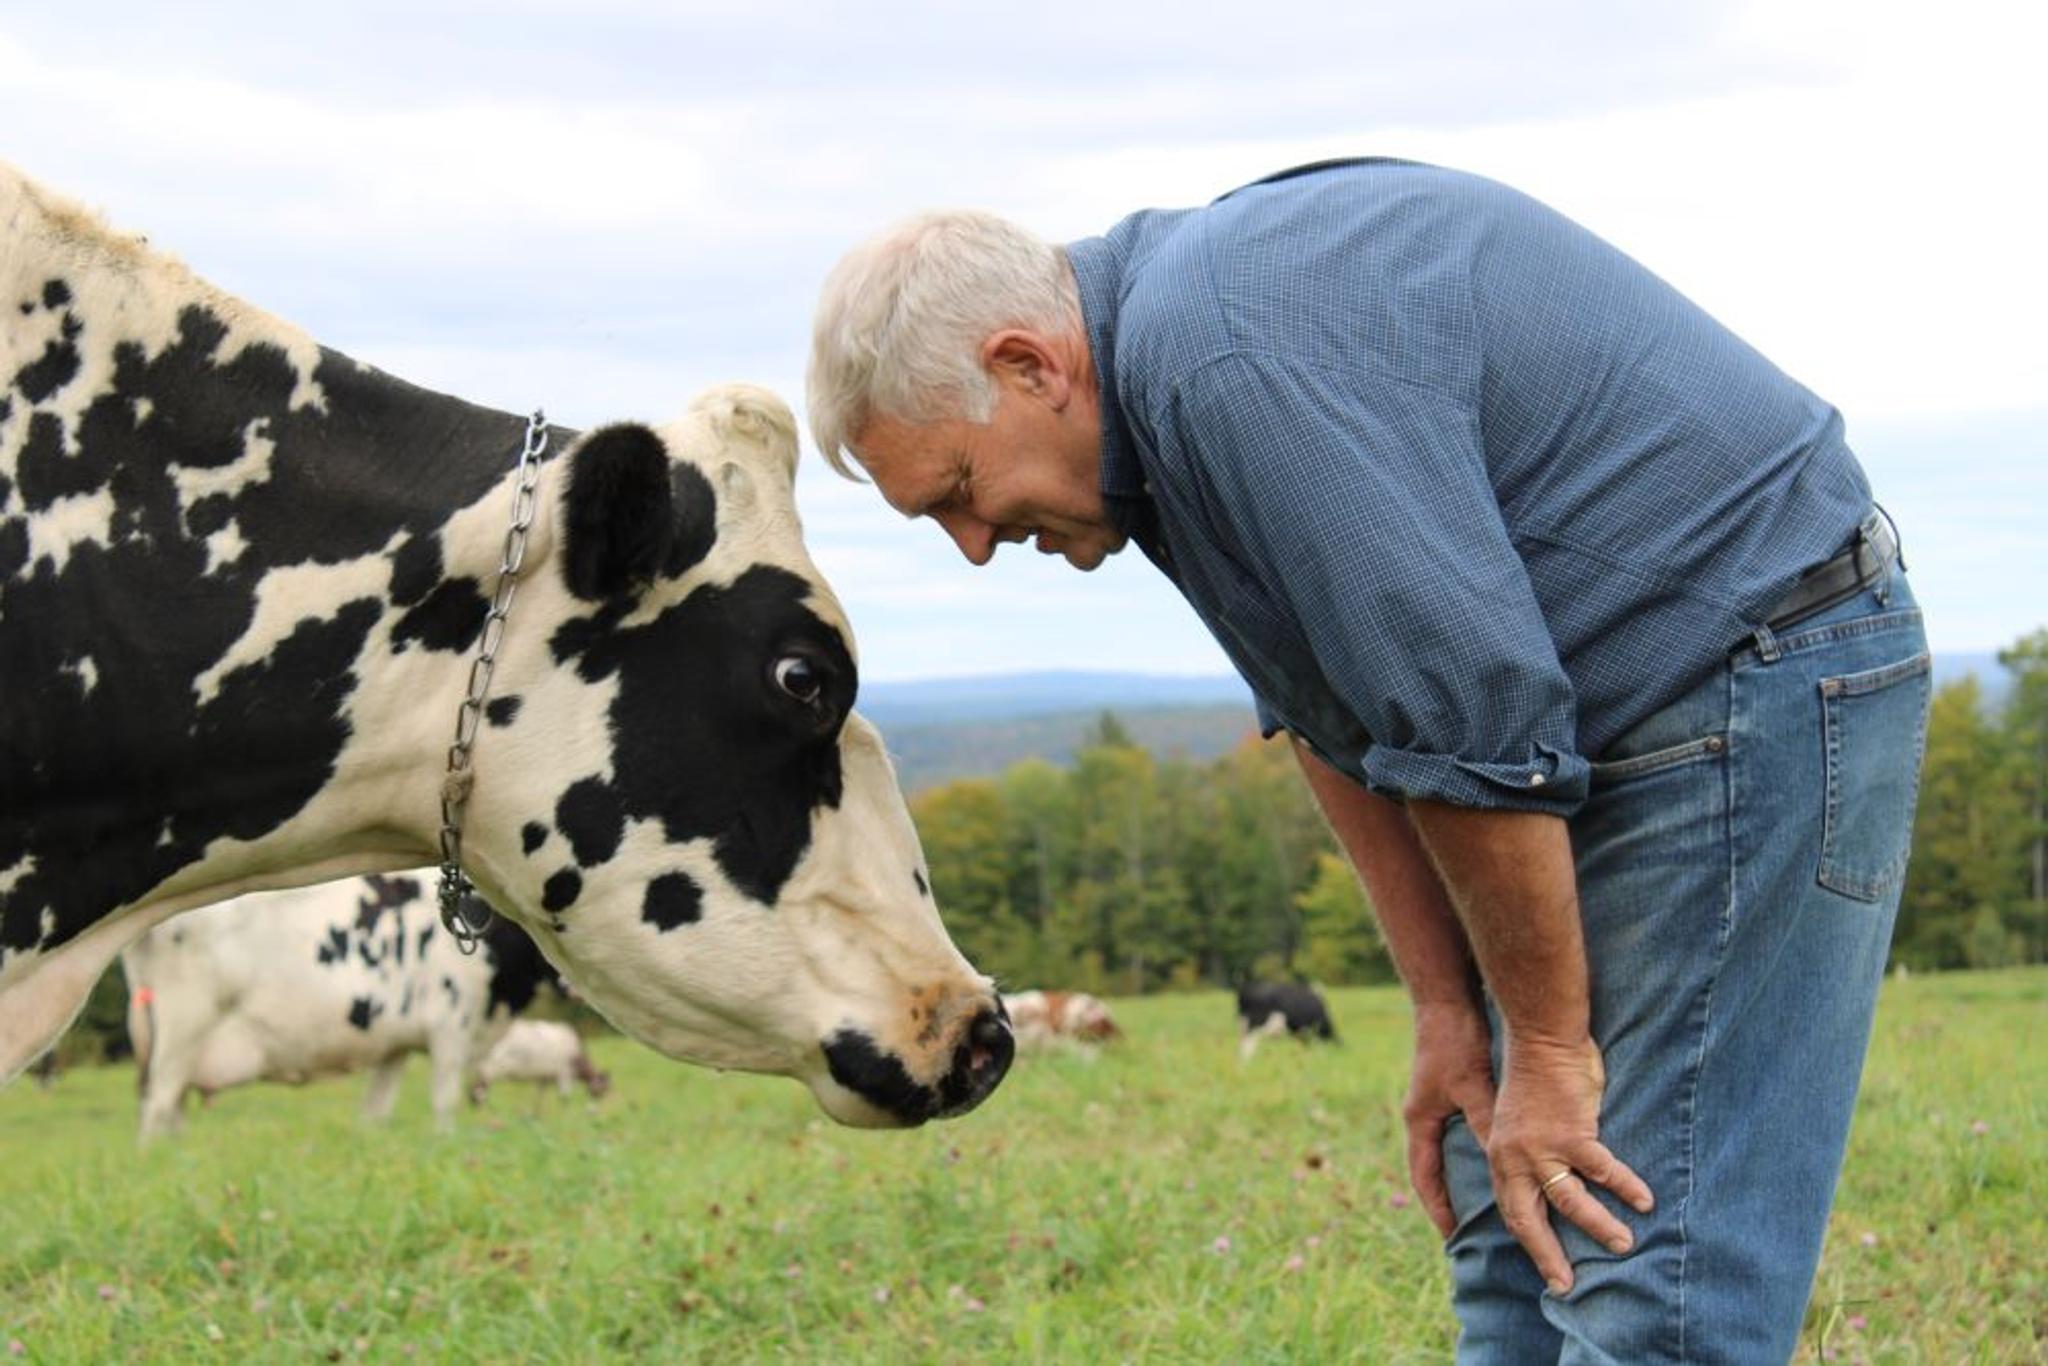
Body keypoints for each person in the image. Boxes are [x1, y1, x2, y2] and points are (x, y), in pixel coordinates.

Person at [807, 157, 1930, 1361]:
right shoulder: (1154, 418)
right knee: (1499, 1211)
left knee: (1630, 1247)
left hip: (1745, 664)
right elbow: (1339, 715)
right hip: (1587, 717)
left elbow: (1463, 712)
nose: (975, 546)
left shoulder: (1224, 362)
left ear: (1028, 366)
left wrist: (1544, 1045)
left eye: (962, 491)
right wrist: (1449, 1010)